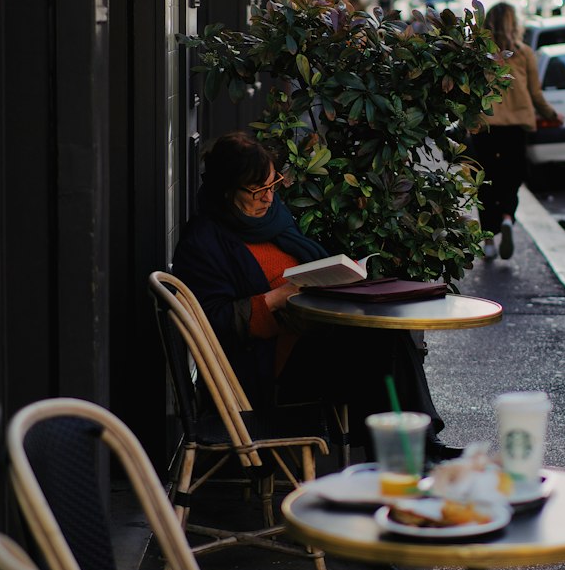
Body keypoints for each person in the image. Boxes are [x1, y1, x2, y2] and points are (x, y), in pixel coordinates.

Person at [171, 132, 457, 460]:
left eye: (272, 184)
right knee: (379, 351)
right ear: (226, 191)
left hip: (308, 338)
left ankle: (413, 448)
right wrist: (277, 298)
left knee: (386, 336)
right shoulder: (204, 243)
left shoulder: (273, 219)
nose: (268, 198)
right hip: (266, 367)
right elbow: (213, 322)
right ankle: (410, 451)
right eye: (257, 190)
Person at [468, 2, 563, 261]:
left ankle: (488, 240)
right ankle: (508, 217)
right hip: (516, 127)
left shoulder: (477, 53)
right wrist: (552, 115)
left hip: (485, 125)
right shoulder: (524, 53)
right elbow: (536, 95)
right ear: (514, 23)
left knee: (485, 180)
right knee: (512, 177)